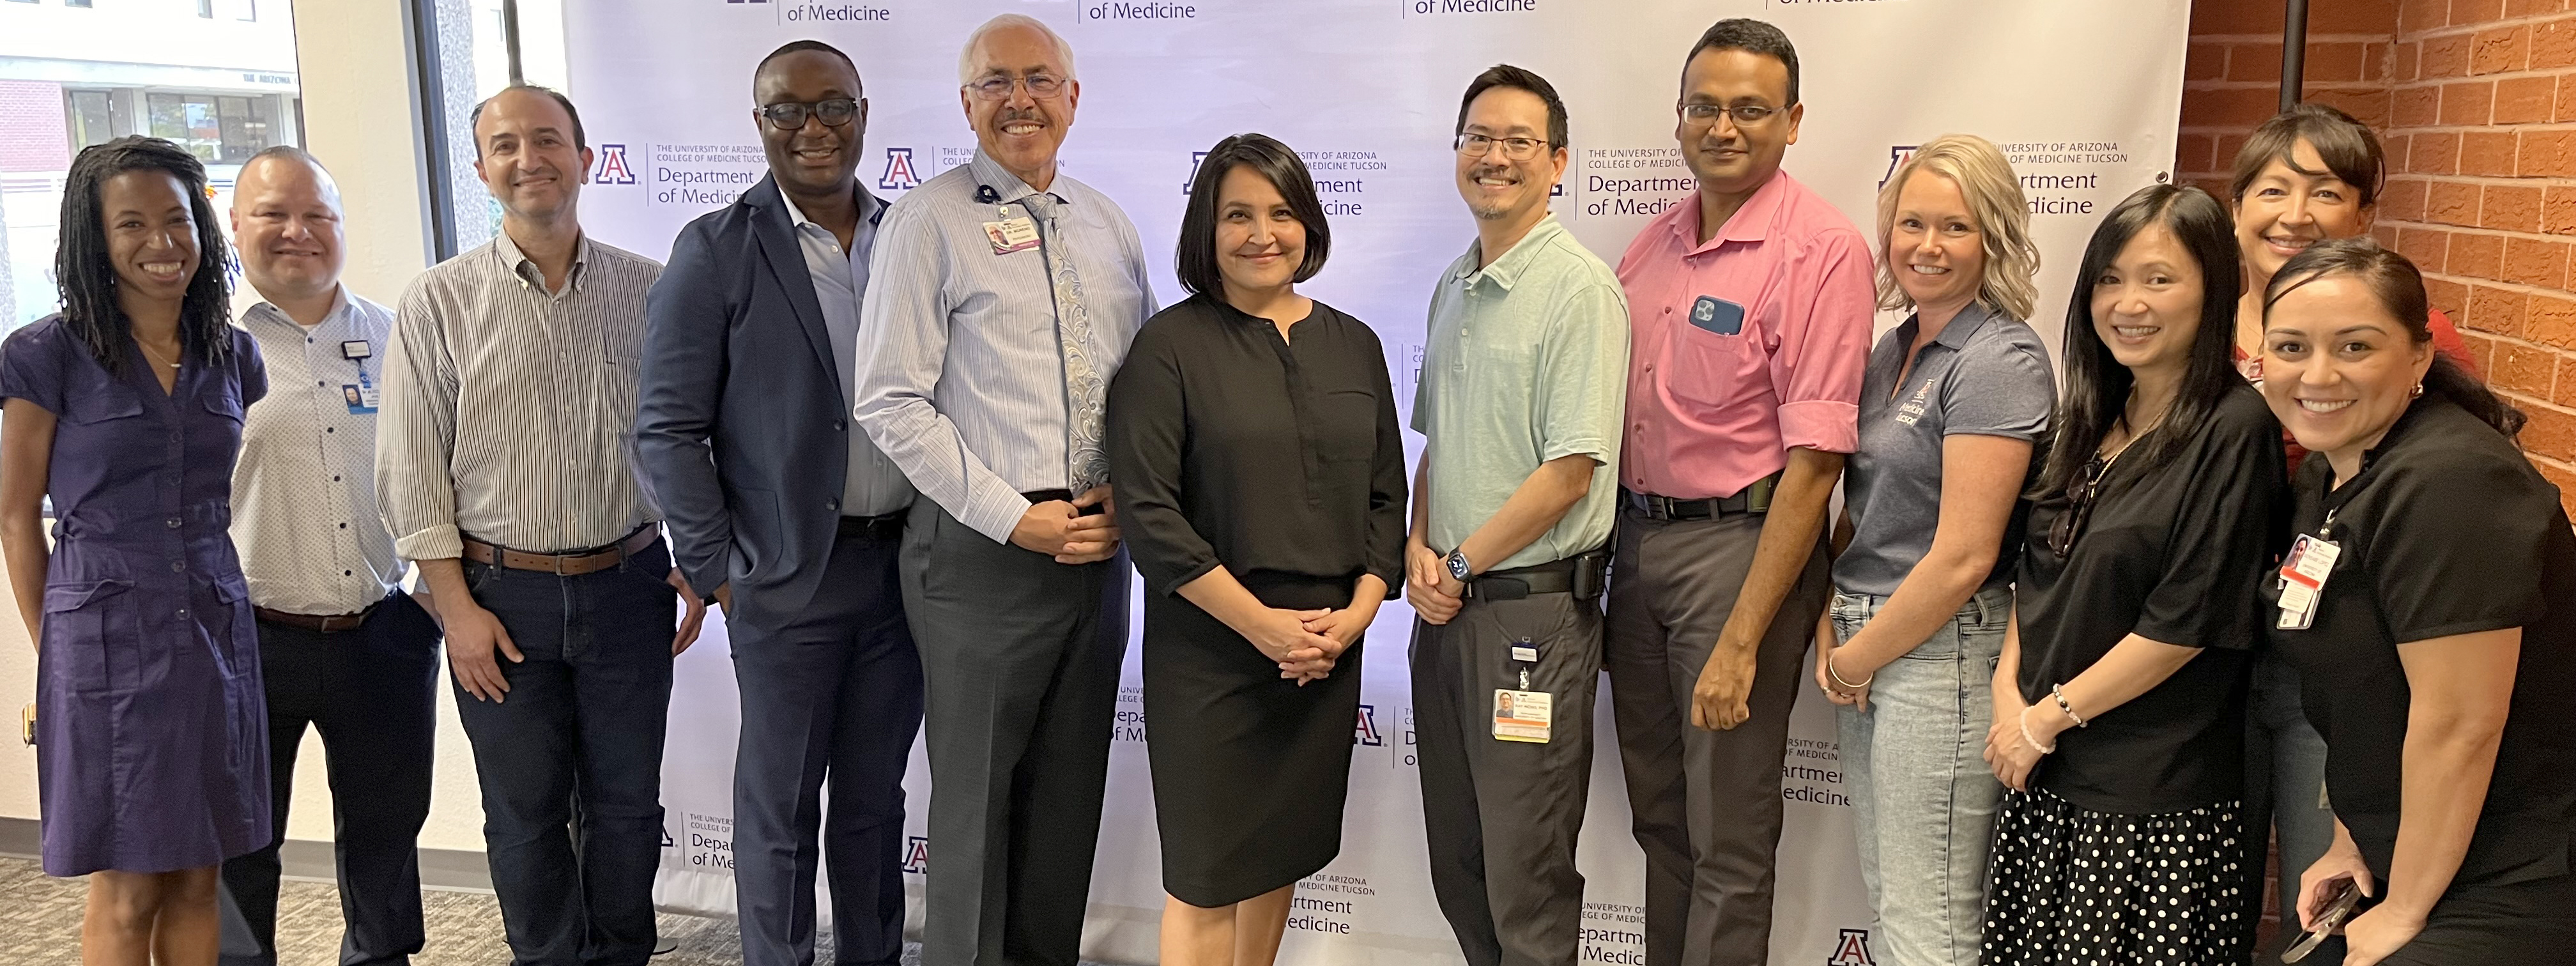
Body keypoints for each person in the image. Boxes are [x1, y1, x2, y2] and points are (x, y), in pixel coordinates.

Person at [376, 85, 706, 966]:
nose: (532, 159)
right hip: (497, 598)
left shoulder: (653, 291)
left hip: (630, 583)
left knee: (628, 806)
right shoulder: (438, 302)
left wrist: (697, 560)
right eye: (508, 145)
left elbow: (689, 432)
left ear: (588, 159)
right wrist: (455, 611)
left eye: (551, 140)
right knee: (524, 815)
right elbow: (409, 472)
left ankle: (622, 954)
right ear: (483, 168)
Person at [850, 15, 1154, 965]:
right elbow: (890, 402)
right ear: (967, 103)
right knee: (978, 816)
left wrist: (1127, 504)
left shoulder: (1108, 224)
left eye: (1038, 78)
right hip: (982, 554)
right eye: (995, 81)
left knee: (1066, 810)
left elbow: (1141, 385)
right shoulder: (926, 221)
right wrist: (1016, 519)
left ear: (1073, 97)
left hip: (1097, 559)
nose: (1019, 97)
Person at [634, 40, 922, 966]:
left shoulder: (911, 236)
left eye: (832, 105)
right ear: (757, 124)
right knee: (781, 809)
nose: (813, 128)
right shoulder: (715, 250)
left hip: (908, 571)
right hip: (787, 579)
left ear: (865, 114)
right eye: (786, 110)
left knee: (877, 803)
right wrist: (722, 571)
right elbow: (666, 427)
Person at [1603, 20, 1871, 966]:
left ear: (1793, 121)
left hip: (1741, 556)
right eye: (1705, 107)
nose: (1724, 126)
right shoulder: (1652, 245)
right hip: (1635, 550)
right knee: (1663, 821)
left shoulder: (1824, 251)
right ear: (1679, 117)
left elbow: (1817, 463)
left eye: (1751, 110)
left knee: (1728, 841)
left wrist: (1745, 638)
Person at [1105, 132, 1405, 966]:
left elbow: (1388, 496)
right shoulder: (1169, 350)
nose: (1261, 233)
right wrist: (1265, 628)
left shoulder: (1355, 344)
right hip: (1212, 650)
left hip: (1326, 647)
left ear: (1308, 223)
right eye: (1238, 214)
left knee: (1280, 857)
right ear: (1207, 229)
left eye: (1280, 212)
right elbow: (1152, 515)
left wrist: (1353, 621)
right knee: (1204, 876)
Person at [1979, 184, 2283, 965]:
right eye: (2110, 280)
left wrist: (2046, 718)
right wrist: (2010, 697)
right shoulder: (2091, 416)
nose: (2128, 303)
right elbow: (2037, 574)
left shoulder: (2234, 429)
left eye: (2159, 279)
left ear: (2216, 287)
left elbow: (2186, 620)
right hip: (2044, 774)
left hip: (2152, 803)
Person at [2258, 238, 2576, 965]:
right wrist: (2352, 838)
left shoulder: (2451, 485)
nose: (2318, 374)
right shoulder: (2334, 479)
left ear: (2419, 358)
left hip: (2515, 872)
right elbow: (2359, 687)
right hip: (2411, 854)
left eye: (2355, 347)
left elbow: (2461, 722)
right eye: (2291, 346)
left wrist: (2404, 907)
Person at [0, 135, 268, 965]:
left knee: (198, 871)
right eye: (132, 224)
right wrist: (56, 662)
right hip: (103, 644)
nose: (161, 242)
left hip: (216, 631)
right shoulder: (44, 355)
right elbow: (16, 519)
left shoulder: (233, 354)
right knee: (127, 883)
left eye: (177, 220)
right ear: (96, 237)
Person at [2223, 103, 2479, 966]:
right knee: (2217, 887)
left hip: (2332, 661)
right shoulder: (2199, 325)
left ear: (2363, 217)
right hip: (2205, 649)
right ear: (2236, 208)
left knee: (2330, 888)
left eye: (2324, 191)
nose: (2294, 213)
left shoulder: (2414, 344)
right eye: (2272, 188)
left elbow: (2429, 516)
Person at [1811, 134, 2053, 966]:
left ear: (1993, 237)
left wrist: (1855, 658)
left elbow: (1964, 556)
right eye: (1911, 224)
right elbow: (1863, 507)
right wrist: (1833, 623)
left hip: (1939, 650)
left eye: (1954, 227)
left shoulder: (2001, 358)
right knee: (1895, 899)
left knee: (1933, 924)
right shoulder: (1891, 350)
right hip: (1871, 633)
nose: (1927, 246)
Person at [1406, 64, 1629, 966]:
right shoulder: (1455, 285)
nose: (1493, 157)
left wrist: (1457, 567)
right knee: (1458, 864)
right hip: (1448, 613)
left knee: (1524, 878)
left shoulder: (1579, 290)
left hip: (1530, 619)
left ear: (1560, 162)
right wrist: (1421, 549)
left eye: (1518, 142)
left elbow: (1569, 474)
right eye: (1478, 138)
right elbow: (1439, 445)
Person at [217, 146, 444, 966]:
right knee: (240, 847)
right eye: (273, 214)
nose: (297, 232)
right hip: (246, 639)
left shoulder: (397, 337)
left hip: (382, 631)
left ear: (341, 228)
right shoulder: (205, 347)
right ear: (235, 225)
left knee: (385, 836)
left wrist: (422, 598)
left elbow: (444, 469)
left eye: (318, 215)